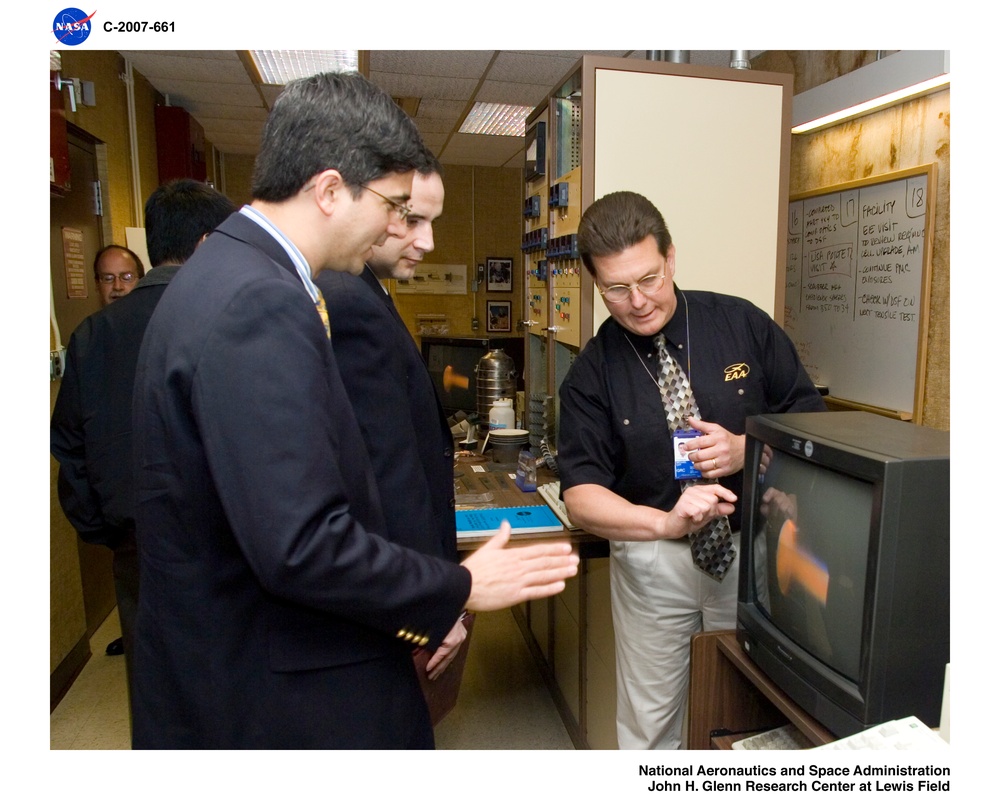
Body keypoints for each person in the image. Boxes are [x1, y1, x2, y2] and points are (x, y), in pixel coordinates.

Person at [130, 71, 578, 749]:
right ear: (331, 190)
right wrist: (456, 587)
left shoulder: (225, 272)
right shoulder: (261, 302)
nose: (395, 227)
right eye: (394, 205)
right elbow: (302, 544)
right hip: (279, 689)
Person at [557, 190, 825, 750]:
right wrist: (663, 524)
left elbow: (812, 424)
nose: (638, 301)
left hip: (748, 553)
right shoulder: (590, 373)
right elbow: (581, 495)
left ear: (671, 258)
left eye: (649, 278)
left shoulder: (742, 324)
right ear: (594, 283)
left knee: (747, 710)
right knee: (650, 726)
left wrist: (747, 449)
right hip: (654, 563)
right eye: (616, 289)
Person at [50, 179, 237, 711]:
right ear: (207, 243)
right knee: (224, 693)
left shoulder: (93, 335)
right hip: (221, 547)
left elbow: (68, 444)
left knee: (154, 693)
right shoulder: (228, 320)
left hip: (135, 542)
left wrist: (105, 528)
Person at [316, 162, 466, 682]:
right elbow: (388, 472)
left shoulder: (365, 290)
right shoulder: (347, 301)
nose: (427, 242)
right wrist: (431, 602)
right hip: (393, 593)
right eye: (411, 218)